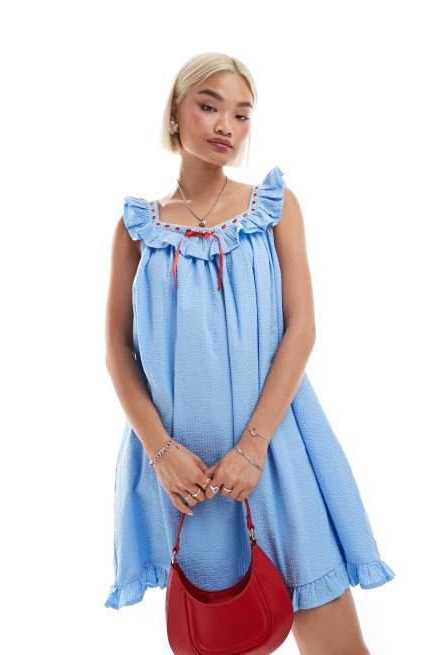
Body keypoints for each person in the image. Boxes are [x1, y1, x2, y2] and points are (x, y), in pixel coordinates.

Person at [104, 52, 395, 654]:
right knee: (221, 636)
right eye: (209, 106)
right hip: (186, 474)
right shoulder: (139, 228)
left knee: (337, 641)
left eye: (241, 114)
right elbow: (117, 349)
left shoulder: (273, 208)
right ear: (175, 112)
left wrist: (253, 447)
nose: (226, 126)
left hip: (276, 451)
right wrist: (161, 454)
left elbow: (301, 329)